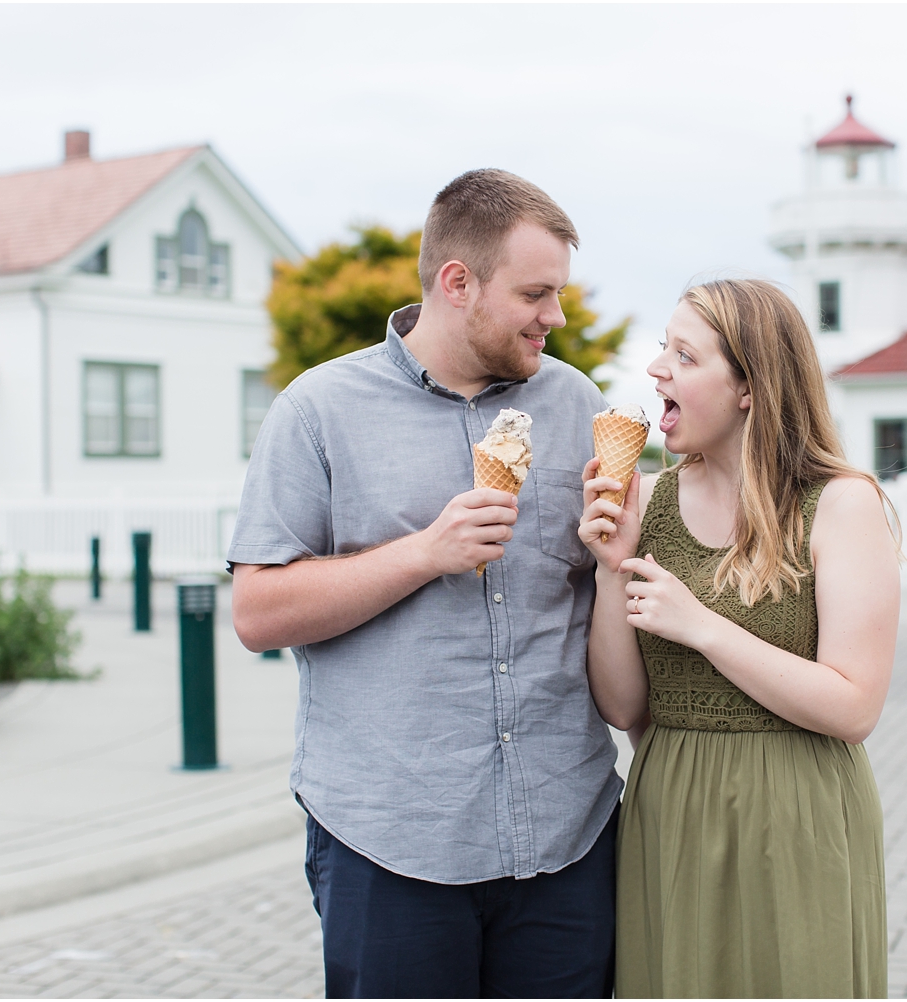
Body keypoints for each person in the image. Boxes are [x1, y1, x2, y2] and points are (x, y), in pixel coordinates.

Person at [228, 169, 622, 999]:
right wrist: (422, 554)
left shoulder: (577, 403)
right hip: (392, 843)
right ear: (457, 283)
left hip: (567, 836)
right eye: (536, 293)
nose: (554, 315)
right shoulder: (317, 410)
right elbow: (259, 612)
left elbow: (604, 591)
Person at [579, 278, 901, 998]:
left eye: (685, 356)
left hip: (798, 816)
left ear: (749, 385)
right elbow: (626, 708)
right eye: (663, 349)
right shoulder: (651, 500)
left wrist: (701, 626)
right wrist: (610, 571)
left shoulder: (841, 504)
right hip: (670, 811)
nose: (657, 368)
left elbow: (854, 706)